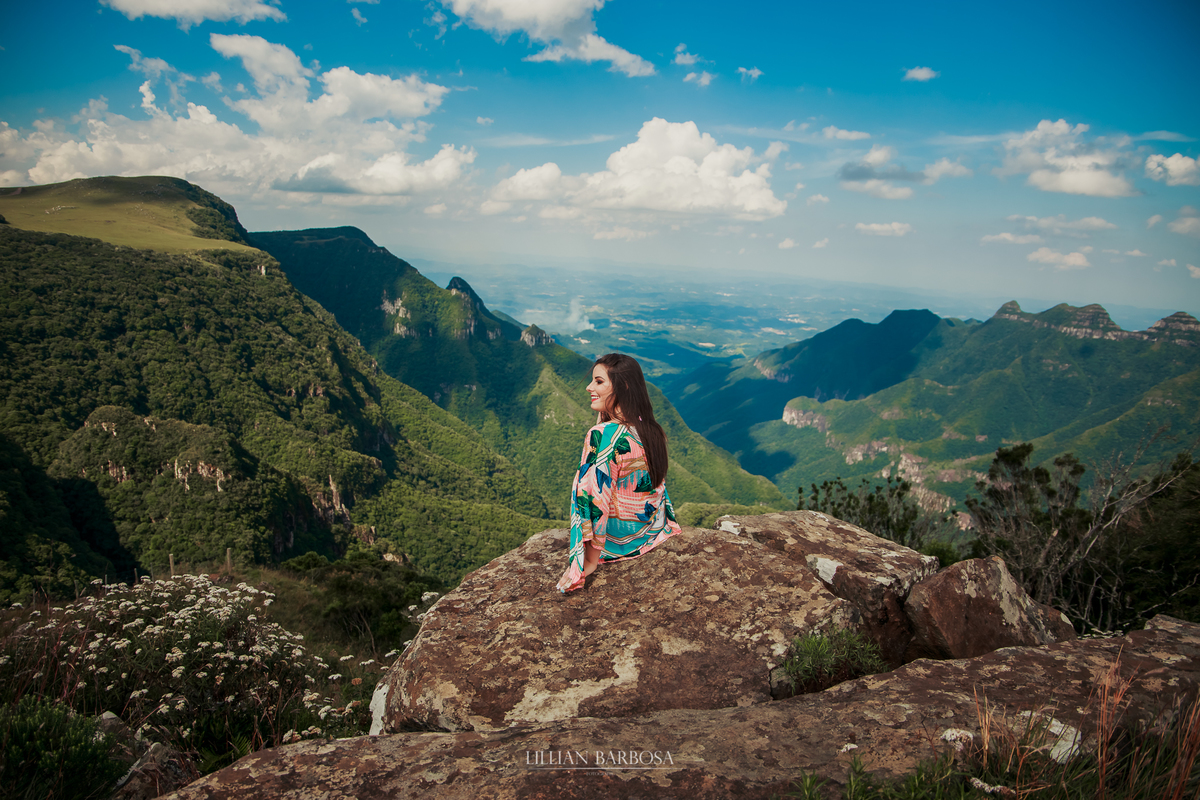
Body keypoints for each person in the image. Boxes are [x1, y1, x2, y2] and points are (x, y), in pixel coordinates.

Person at [557, 353, 682, 593]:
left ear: (623, 386)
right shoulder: (650, 428)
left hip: (619, 542)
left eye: (599, 381)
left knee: (587, 482)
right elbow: (656, 486)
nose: (589, 387)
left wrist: (589, 560)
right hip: (650, 530)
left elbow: (594, 498)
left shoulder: (603, 435)